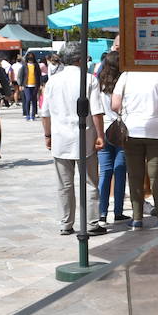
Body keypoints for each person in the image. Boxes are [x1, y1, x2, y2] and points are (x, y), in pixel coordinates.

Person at [43, 41, 106, 236]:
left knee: (64, 185)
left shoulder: (52, 81)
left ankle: (66, 223)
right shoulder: (88, 80)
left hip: (60, 137)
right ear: (80, 59)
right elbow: (96, 111)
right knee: (90, 183)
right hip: (84, 136)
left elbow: (45, 113)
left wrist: (47, 135)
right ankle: (92, 223)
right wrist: (101, 135)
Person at [112, 67, 158, 231]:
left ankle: (137, 218)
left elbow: (115, 105)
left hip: (132, 130)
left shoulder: (126, 76)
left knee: (135, 175)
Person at [95, 50, 127, 225]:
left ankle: (101, 213)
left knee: (105, 172)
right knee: (120, 170)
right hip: (121, 130)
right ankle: (118, 211)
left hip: (103, 130)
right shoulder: (124, 85)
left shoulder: (98, 85)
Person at [21, 50, 40, 121]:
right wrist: (21, 85)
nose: (30, 60)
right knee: (28, 99)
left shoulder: (36, 65)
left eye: (31, 58)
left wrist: (40, 84)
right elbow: (22, 75)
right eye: (29, 58)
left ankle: (33, 115)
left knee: (34, 100)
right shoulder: (24, 65)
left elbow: (39, 75)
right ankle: (27, 114)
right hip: (27, 85)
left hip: (35, 85)